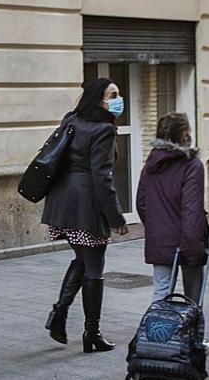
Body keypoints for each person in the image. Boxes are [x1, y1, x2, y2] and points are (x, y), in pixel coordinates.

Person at [42, 78, 129, 353]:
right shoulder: (104, 130)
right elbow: (101, 178)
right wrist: (116, 217)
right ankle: (92, 333)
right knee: (94, 267)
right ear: (98, 100)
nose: (118, 99)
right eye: (112, 95)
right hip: (85, 206)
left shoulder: (72, 120)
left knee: (82, 258)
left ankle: (59, 313)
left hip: (61, 203)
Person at [136, 113, 207, 304]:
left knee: (161, 292)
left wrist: (157, 227)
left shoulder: (150, 164)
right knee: (193, 299)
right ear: (185, 134)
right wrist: (194, 248)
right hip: (188, 240)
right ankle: (191, 334)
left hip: (160, 239)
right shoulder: (192, 165)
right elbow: (192, 211)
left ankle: (156, 333)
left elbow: (141, 203)